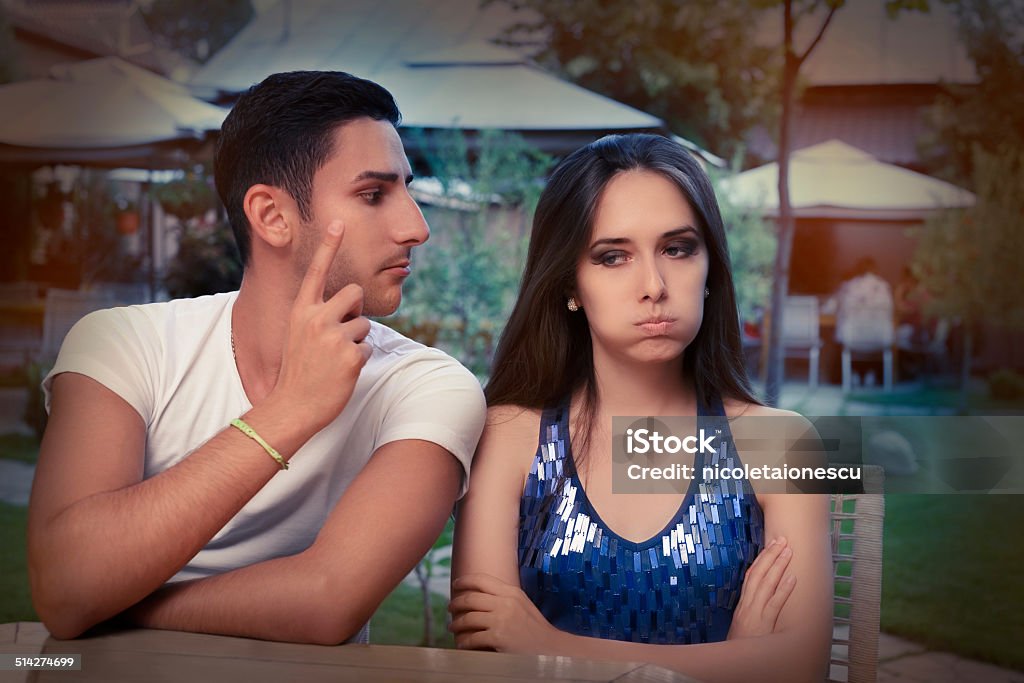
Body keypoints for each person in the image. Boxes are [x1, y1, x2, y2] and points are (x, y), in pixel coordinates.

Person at [28, 71, 486, 644]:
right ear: (271, 216)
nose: (416, 227)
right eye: (373, 194)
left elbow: (326, 602)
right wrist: (290, 410)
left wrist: (120, 605)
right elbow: (69, 583)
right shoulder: (125, 344)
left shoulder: (429, 386)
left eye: (407, 189)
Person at [450, 134, 832, 682]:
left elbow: (800, 668)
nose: (653, 286)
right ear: (569, 284)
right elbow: (485, 665)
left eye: (677, 249)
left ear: (710, 271)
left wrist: (547, 646)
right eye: (613, 256)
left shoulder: (782, 445)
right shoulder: (509, 436)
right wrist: (737, 662)